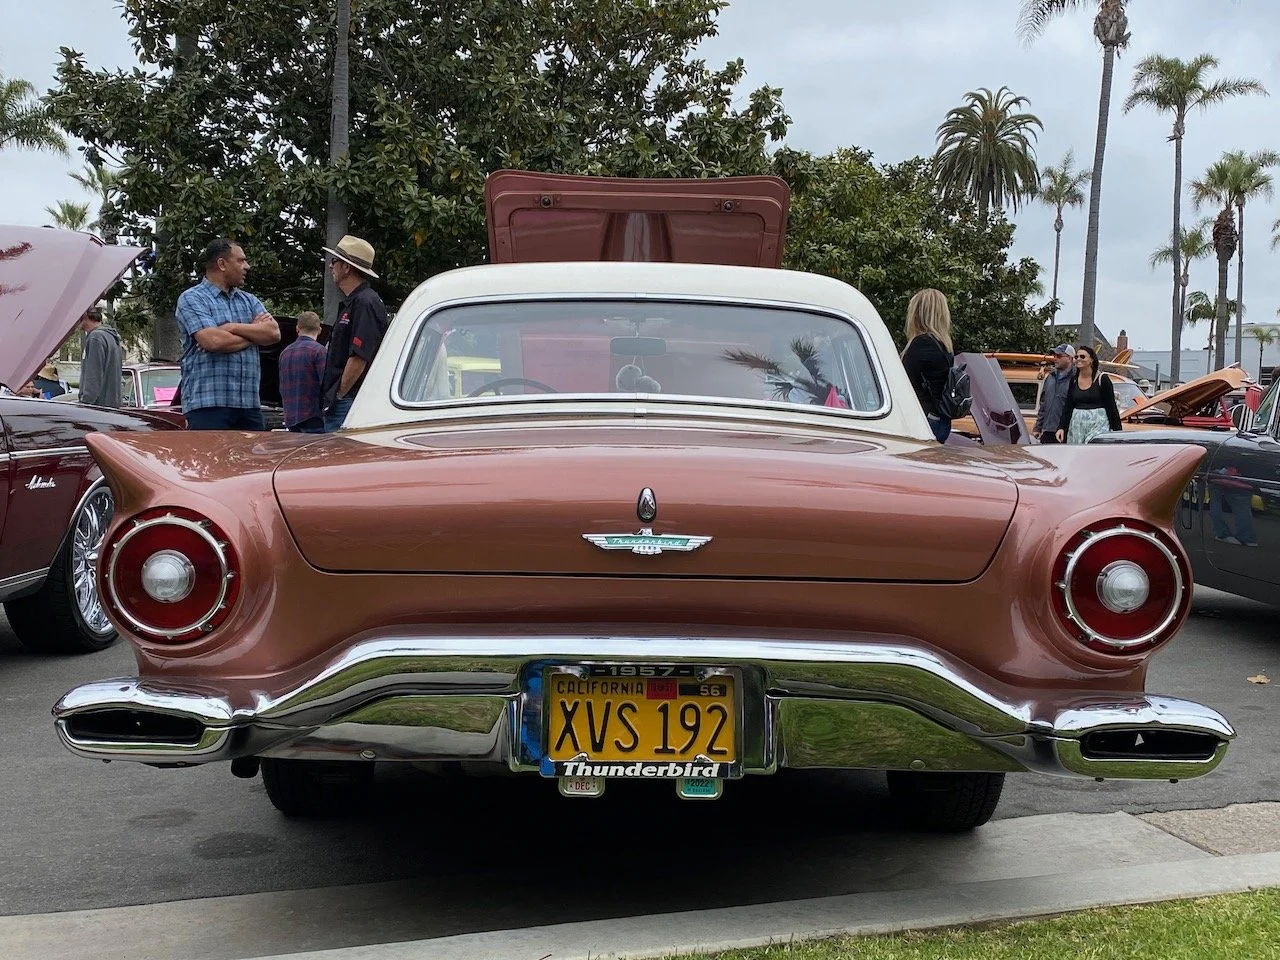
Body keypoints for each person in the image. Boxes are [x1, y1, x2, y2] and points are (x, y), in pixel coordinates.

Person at [175, 239, 280, 430]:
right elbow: (213, 341)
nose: (247, 266)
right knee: (210, 452)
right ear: (222, 264)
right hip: (208, 407)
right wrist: (253, 334)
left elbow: (273, 333)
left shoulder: (249, 300)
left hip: (249, 406)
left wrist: (230, 327)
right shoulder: (192, 298)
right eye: (241, 261)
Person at [321, 234, 389, 432]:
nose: (330, 266)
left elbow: (359, 357)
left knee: (341, 451)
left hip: (350, 401)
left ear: (346, 267)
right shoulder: (358, 302)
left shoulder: (365, 303)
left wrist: (339, 394)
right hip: (348, 400)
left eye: (334, 261)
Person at [901, 288, 956, 443]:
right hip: (941, 419)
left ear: (917, 313)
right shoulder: (944, 346)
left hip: (925, 419)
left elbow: (902, 382)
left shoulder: (922, 343)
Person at [1055, 345, 1122, 444]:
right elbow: (1068, 406)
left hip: (1098, 425)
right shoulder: (1073, 380)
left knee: (1094, 449)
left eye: (1082, 357)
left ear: (1091, 360)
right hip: (1077, 426)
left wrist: (1117, 432)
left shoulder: (1102, 379)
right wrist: (1061, 427)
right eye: (1076, 357)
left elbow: (1111, 406)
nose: (1078, 359)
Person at [279, 310, 327, 433]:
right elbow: (326, 384)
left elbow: (282, 386)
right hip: (313, 416)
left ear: (297, 328)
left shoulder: (284, 353)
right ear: (319, 330)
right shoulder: (319, 351)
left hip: (291, 416)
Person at [78, 306, 123, 407]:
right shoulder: (111, 337)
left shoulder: (95, 338)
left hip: (97, 407)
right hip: (111, 406)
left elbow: (94, 375)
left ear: (85, 317)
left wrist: (85, 402)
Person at [1034, 343, 1075, 444]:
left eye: (1059, 356)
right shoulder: (1050, 377)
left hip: (1068, 432)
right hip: (1047, 431)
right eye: (1054, 356)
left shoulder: (1076, 379)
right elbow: (1043, 404)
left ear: (1070, 358)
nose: (1055, 359)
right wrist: (1038, 427)